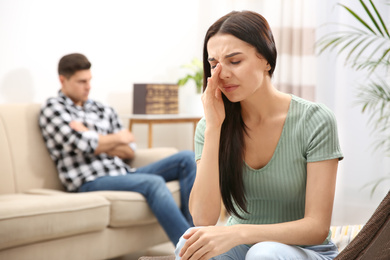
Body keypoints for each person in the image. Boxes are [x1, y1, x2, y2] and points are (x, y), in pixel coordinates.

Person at [175, 10, 343, 260]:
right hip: (244, 248)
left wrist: (239, 233)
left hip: (306, 251)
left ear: (266, 60)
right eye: (214, 65)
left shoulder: (314, 120)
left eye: (235, 61)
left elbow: (316, 228)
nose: (223, 74)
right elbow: (203, 219)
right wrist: (213, 128)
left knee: (263, 253)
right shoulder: (212, 126)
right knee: (187, 245)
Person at [39, 53, 196, 245]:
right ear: (62, 80)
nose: (88, 86)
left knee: (187, 158)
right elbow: (81, 144)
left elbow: (129, 149)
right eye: (81, 81)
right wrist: (113, 140)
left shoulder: (102, 109)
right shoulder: (53, 108)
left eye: (89, 80)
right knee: (153, 182)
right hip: (89, 181)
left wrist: (91, 135)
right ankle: (191, 251)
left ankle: (195, 236)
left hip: (123, 172)